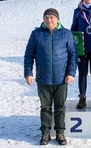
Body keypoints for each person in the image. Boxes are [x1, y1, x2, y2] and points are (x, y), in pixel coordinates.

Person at [24, 8, 78, 146]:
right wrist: (28, 73)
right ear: (43, 19)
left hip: (62, 78)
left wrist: (71, 73)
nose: (49, 20)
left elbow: (73, 55)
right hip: (43, 78)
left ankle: (60, 133)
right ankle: (45, 133)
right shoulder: (36, 34)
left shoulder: (66, 34)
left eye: (52, 17)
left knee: (60, 107)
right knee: (45, 107)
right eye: (46, 17)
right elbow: (29, 55)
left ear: (57, 19)